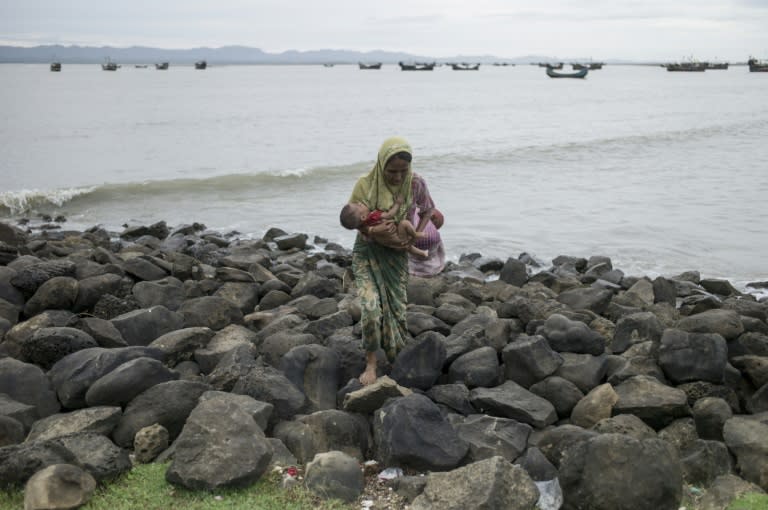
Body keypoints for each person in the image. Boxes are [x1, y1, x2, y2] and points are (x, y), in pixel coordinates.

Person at [346, 136, 442, 385]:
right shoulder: (365, 186)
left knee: (396, 308)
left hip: (397, 256)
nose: (398, 177)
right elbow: (353, 221)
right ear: (380, 166)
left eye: (403, 171)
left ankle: (394, 352)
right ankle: (371, 362)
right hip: (367, 253)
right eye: (392, 171)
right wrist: (374, 232)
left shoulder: (416, 182)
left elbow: (428, 210)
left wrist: (416, 233)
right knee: (370, 307)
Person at [339, 196, 429, 259]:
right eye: (359, 206)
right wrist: (398, 203)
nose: (359, 203)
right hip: (398, 237)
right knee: (405, 223)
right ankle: (415, 234)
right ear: (363, 217)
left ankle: (423, 253)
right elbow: (390, 214)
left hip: (391, 244)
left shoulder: (363, 227)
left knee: (406, 247)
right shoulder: (373, 216)